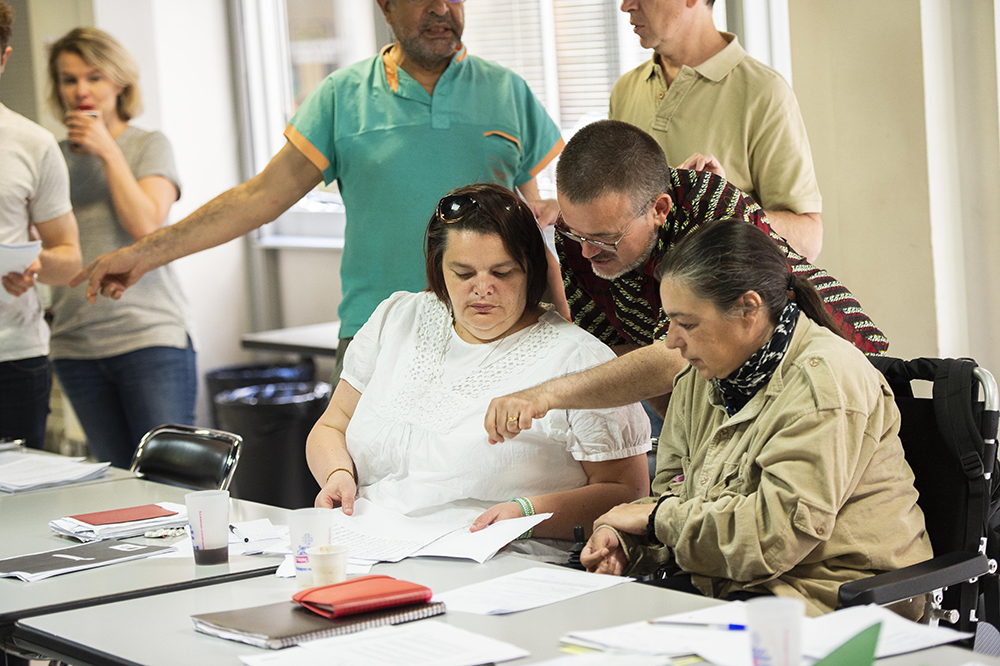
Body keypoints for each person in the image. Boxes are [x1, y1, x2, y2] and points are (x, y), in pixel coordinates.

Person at [71, 0, 566, 389]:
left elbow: (539, 222)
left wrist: (561, 322)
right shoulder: (340, 96)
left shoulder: (507, 91)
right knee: (355, 487)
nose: (442, 9)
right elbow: (259, 197)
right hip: (378, 334)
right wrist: (144, 254)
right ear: (384, 6)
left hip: (496, 328)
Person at [560, 220, 931, 615]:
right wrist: (624, 540)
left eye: (686, 323)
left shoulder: (824, 382)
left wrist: (654, 520)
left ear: (748, 310)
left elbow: (774, 538)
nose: (671, 340)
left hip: (837, 592)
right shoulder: (699, 378)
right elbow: (671, 499)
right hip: (737, 579)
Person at [306, 183, 650, 557]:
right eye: (463, 273)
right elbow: (332, 424)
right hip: (367, 547)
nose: (482, 289)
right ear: (439, 268)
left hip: (497, 563)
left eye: (502, 272)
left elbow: (628, 492)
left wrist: (528, 512)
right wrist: (337, 475)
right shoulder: (399, 318)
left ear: (530, 269)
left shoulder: (578, 358)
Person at [521, 120, 884, 423]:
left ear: (659, 210)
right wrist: (684, 444)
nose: (585, 251)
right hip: (733, 393)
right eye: (575, 232)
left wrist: (548, 395)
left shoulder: (712, 212)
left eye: (605, 239)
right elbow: (620, 353)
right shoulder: (583, 235)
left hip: (829, 373)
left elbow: (672, 357)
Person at [45, 28, 192, 469]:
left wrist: (108, 151)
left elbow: (147, 225)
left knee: (173, 478)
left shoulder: (147, 145)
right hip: (75, 343)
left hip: (149, 337)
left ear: (120, 82)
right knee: (119, 484)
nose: (81, 91)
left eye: (94, 77)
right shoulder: (49, 157)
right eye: (69, 80)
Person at [611, 0, 823, 261]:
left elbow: (809, 239)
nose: (626, 6)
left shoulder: (763, 92)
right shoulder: (625, 89)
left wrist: (727, 206)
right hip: (638, 299)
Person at [0, 0, 82, 451]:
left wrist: (31, 267)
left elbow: (68, 260)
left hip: (12, 357)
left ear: (3, 58)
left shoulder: (33, 144)